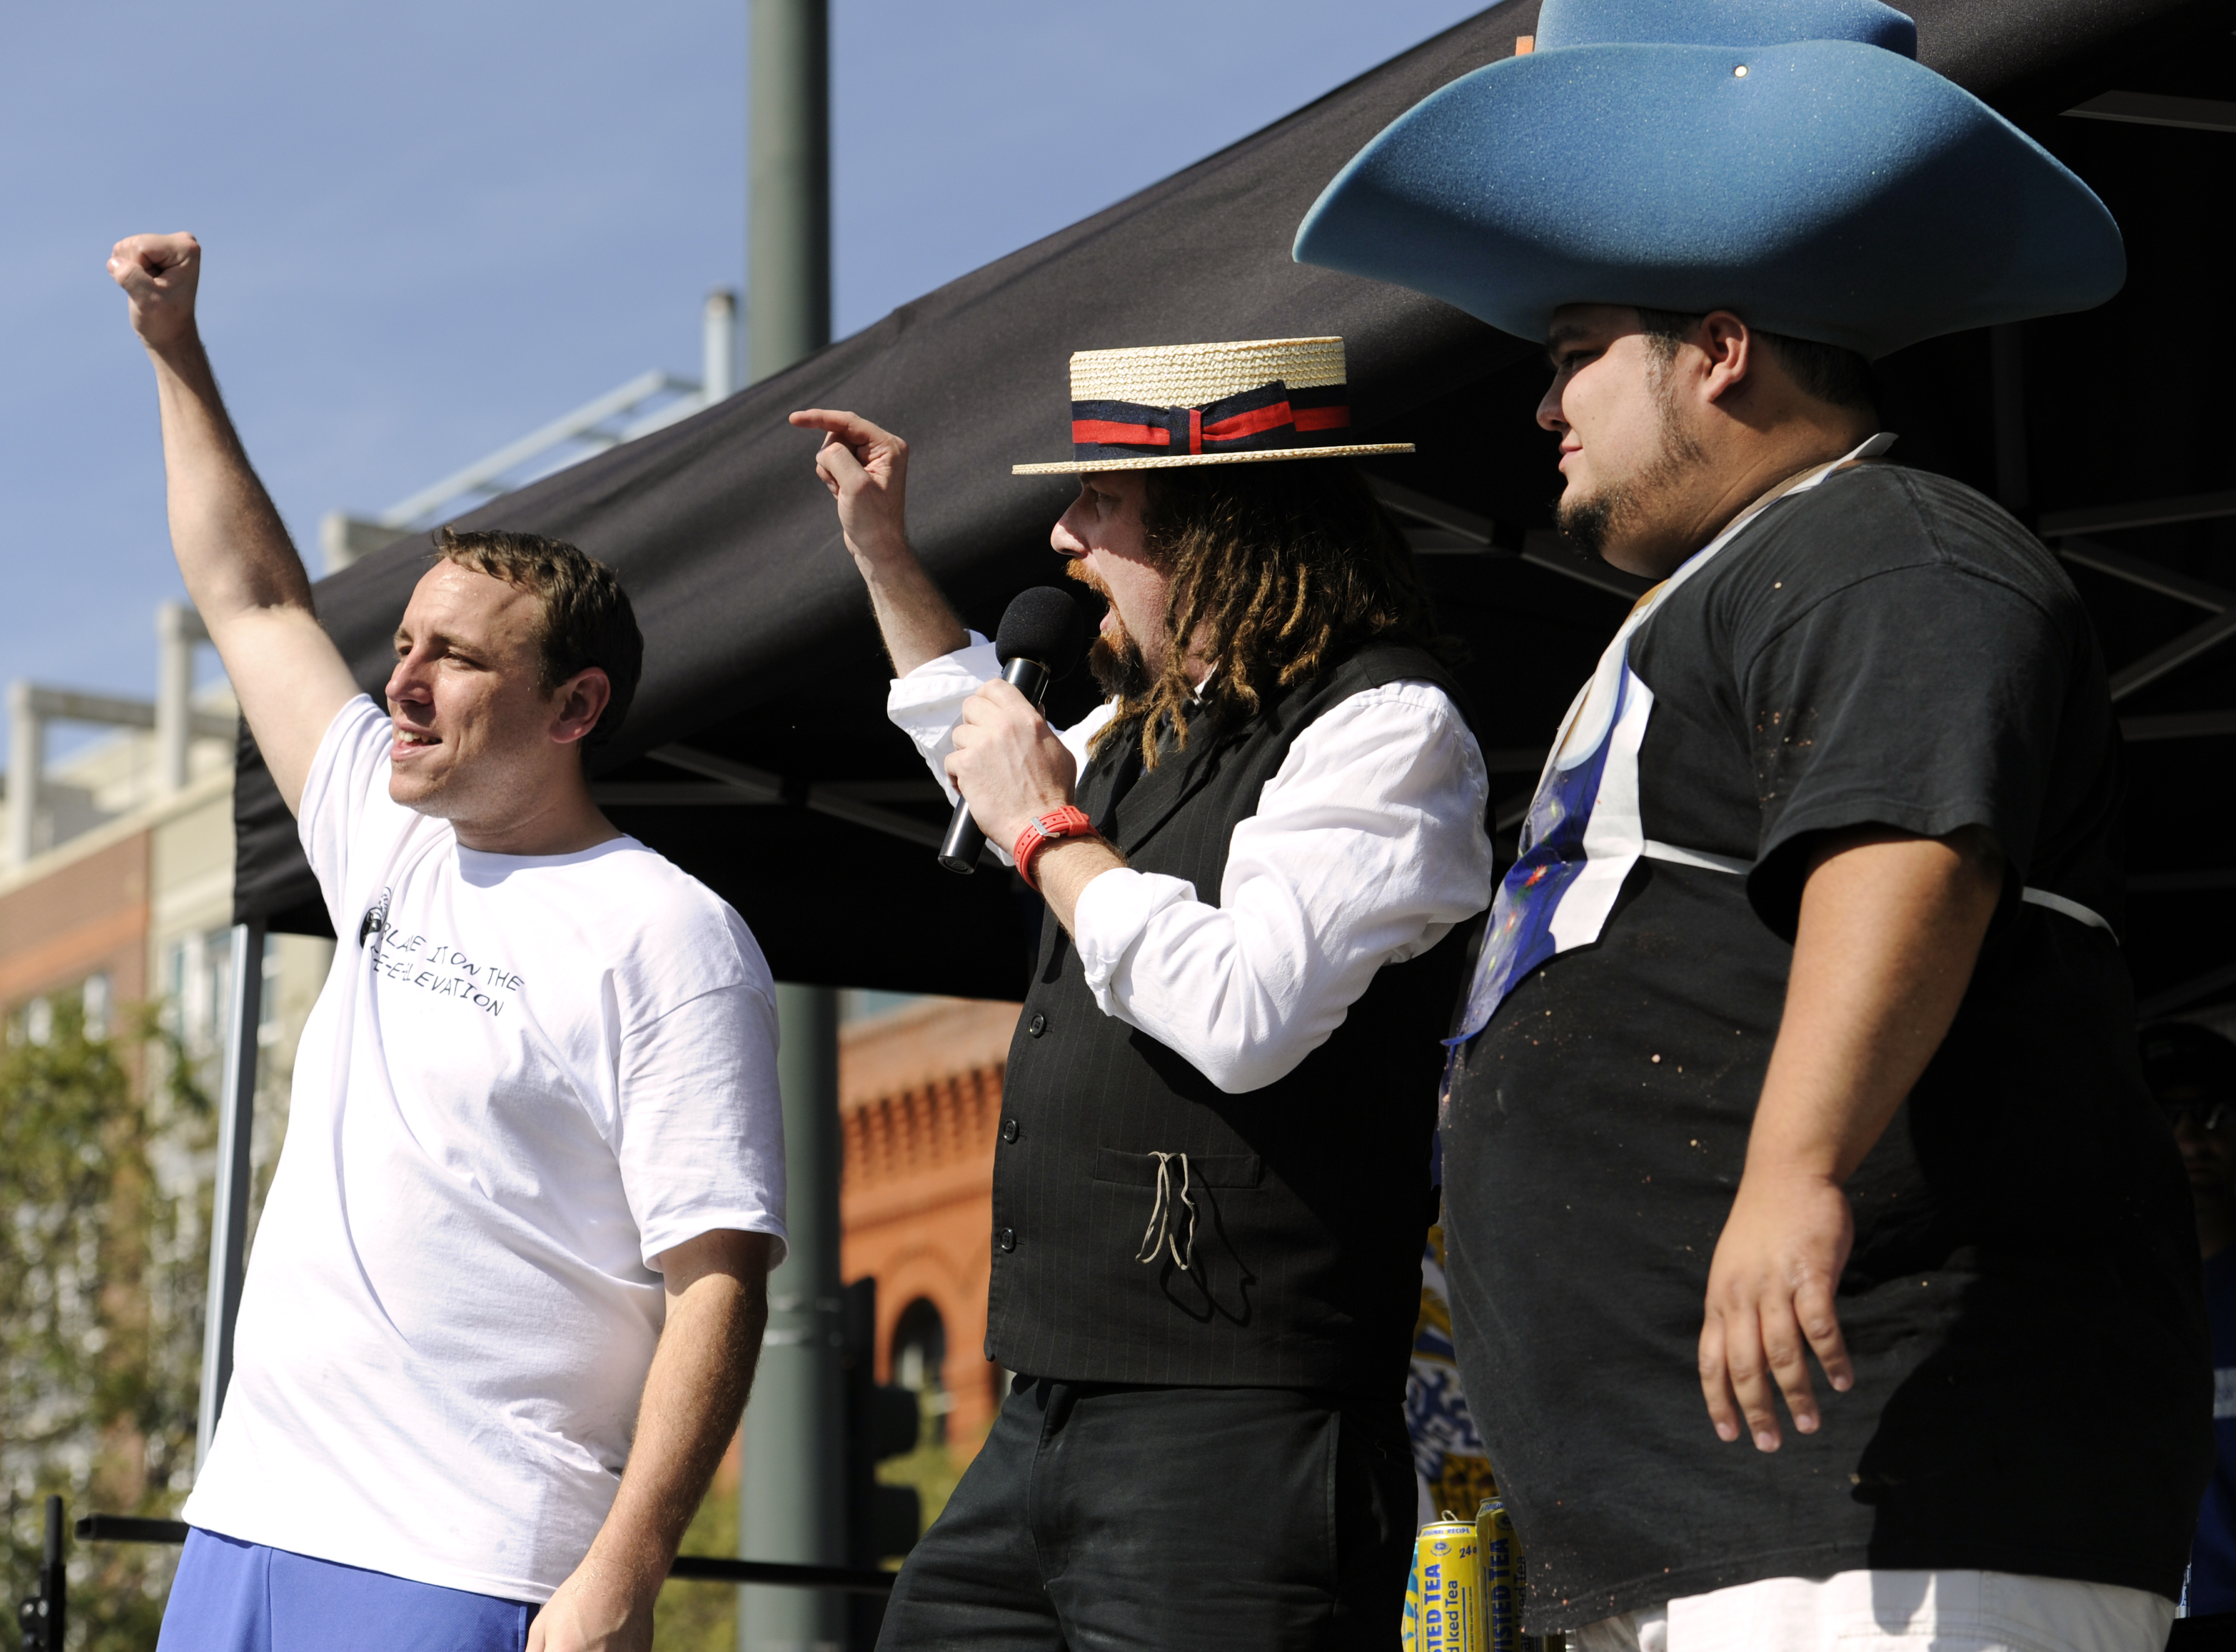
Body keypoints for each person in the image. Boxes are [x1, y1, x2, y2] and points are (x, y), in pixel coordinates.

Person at [1295, 2, 2212, 1648]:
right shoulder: (1752, 578)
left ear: (1716, 351)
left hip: (1895, 1498)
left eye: (1577, 351)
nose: (1541, 403)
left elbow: (1912, 841)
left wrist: (1794, 1172)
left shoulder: (1890, 545)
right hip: (1733, 1526)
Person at [109, 232, 788, 1652]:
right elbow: (256, 596)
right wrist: (176, 351)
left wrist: (624, 1572)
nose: (401, 687)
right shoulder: (386, 825)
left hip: (462, 1558)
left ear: (574, 705)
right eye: (405, 647)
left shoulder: (666, 932)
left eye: (457, 659)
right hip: (251, 1520)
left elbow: (717, 1282)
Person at [790, 333, 1495, 1650]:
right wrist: (884, 554)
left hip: (1234, 1428)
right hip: (1049, 1410)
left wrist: (1051, 835)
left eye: (1100, 502)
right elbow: (985, 754)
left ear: (1219, 526)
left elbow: (1245, 1012)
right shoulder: (1153, 729)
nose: (1062, 535)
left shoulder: (1385, 726)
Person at [2143, 1021, 2236, 1615]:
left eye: (2213, 1113)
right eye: (2164, 1115)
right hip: (2143, 1626)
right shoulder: (2103, 1306)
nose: (2190, 1137)